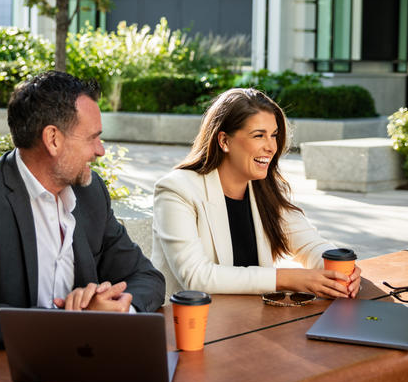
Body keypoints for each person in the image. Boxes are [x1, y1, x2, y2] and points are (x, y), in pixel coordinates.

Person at [0, 71, 165, 359]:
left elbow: (147, 277)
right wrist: (76, 321)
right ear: (53, 139)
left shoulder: (91, 194)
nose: (101, 150)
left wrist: (118, 309)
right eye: (92, 138)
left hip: (63, 366)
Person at [152, 87, 361, 299]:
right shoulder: (177, 190)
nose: (271, 147)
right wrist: (289, 279)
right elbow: (196, 276)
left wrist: (342, 272)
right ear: (224, 141)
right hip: (189, 324)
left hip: (252, 320)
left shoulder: (265, 187)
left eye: (274, 135)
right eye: (259, 135)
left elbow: (310, 244)